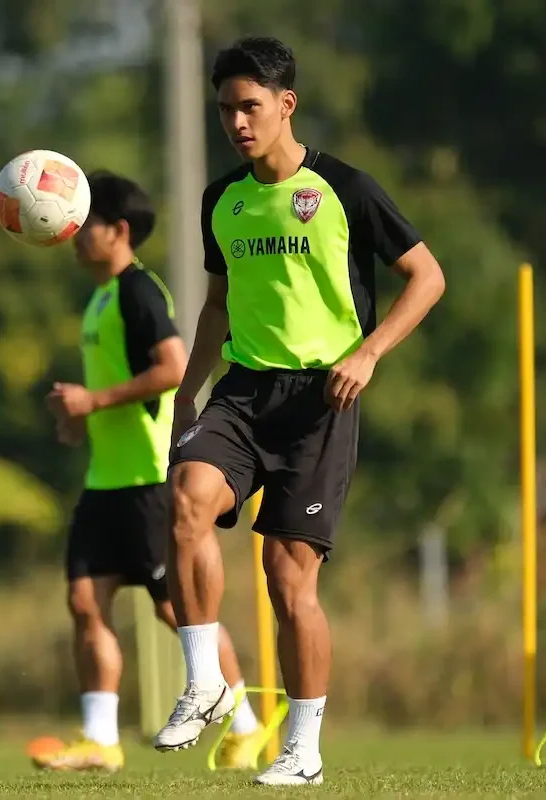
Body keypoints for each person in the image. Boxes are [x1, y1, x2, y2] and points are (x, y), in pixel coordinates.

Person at [153, 38, 446, 786]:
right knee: (186, 498)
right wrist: (191, 386)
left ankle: (303, 751)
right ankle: (205, 679)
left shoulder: (346, 188)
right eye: (225, 109)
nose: (236, 122)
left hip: (323, 399)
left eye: (250, 107)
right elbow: (218, 303)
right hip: (245, 392)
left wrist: (369, 352)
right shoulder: (222, 199)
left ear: (286, 105)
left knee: (289, 582)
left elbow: (426, 277)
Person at [32, 171, 262, 773]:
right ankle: (101, 740)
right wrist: (79, 418)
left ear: (120, 231)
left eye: (87, 227)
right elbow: (114, 387)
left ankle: (247, 725)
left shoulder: (138, 291)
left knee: (179, 610)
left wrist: (94, 401)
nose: (75, 238)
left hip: (148, 480)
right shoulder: (100, 297)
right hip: (104, 481)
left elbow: (173, 368)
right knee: (85, 601)